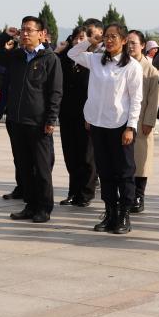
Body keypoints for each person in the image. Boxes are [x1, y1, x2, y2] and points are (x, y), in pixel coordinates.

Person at [68, 22, 144, 234]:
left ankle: (124, 214)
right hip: (98, 124)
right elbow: (72, 53)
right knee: (105, 171)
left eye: (113, 37)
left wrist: (131, 127)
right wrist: (90, 41)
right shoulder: (95, 59)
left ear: (124, 40)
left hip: (120, 125)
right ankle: (110, 212)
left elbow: (136, 99)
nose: (109, 40)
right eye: (106, 36)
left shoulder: (132, 66)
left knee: (124, 172)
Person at [0, 16, 63, 223]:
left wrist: (51, 119)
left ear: (41, 34)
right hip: (16, 120)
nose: (24, 33)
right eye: (22, 30)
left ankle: (44, 208)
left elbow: (56, 92)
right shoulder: (17, 56)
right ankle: (30, 206)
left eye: (29, 30)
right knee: (24, 167)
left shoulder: (50, 59)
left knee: (41, 168)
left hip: (38, 123)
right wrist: (5, 35)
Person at [57, 24, 98, 207]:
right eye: (76, 38)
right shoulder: (65, 60)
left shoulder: (94, 61)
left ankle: (86, 193)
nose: (78, 41)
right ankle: (73, 192)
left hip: (87, 116)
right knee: (71, 155)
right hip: (67, 114)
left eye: (83, 38)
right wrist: (59, 51)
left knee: (86, 156)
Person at [126, 30, 159, 214]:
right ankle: (126, 195)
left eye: (133, 43)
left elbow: (154, 99)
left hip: (141, 122)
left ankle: (139, 196)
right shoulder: (121, 64)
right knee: (125, 161)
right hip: (122, 120)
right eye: (127, 43)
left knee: (141, 161)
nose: (130, 46)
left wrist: (149, 121)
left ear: (142, 45)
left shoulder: (150, 70)